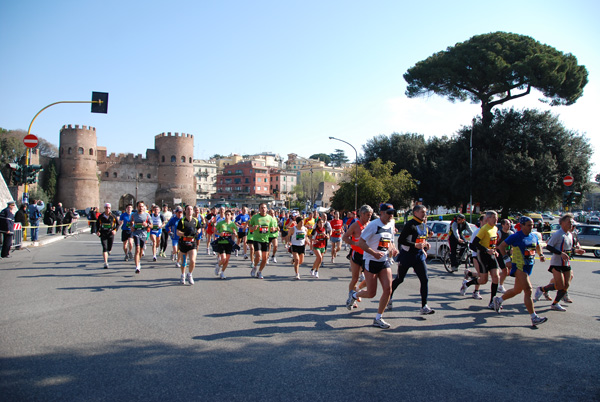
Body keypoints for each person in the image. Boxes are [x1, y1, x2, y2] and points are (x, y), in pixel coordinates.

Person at [347, 203, 398, 329]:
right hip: (371, 260)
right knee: (371, 293)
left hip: (384, 260)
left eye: (392, 213)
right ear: (381, 213)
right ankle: (354, 295)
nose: (391, 215)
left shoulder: (391, 224)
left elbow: (390, 241)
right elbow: (361, 242)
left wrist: (393, 249)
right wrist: (373, 253)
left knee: (388, 289)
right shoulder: (373, 226)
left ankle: (378, 318)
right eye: (388, 213)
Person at [493, 217, 548, 326]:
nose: (531, 227)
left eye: (532, 225)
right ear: (521, 225)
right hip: (519, 266)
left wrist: (541, 255)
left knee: (517, 290)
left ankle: (499, 300)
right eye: (528, 225)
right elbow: (501, 246)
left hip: (529, 267)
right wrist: (507, 260)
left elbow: (537, 246)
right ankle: (534, 317)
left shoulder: (533, 236)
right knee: (528, 290)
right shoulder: (516, 236)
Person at [389, 204, 435, 315]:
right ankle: (389, 296)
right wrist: (415, 245)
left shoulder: (423, 225)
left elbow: (422, 239)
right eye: (422, 212)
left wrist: (425, 244)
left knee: (425, 279)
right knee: (400, 279)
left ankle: (424, 306)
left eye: (425, 212)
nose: (425, 214)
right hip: (407, 256)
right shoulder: (410, 225)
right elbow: (401, 240)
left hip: (419, 256)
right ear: (415, 213)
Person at [534, 214, 585, 311]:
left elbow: (568, 250)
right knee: (559, 285)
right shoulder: (558, 234)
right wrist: (560, 253)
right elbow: (548, 246)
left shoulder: (570, 235)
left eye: (571, 222)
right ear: (562, 223)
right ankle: (542, 289)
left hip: (566, 263)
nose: (571, 224)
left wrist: (576, 251)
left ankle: (555, 303)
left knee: (566, 285)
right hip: (556, 263)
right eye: (569, 222)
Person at [460, 211, 500, 309]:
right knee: (483, 280)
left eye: (497, 218)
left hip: (492, 256)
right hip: (482, 256)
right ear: (488, 219)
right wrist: (486, 250)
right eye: (494, 218)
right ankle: (467, 283)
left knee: (496, 276)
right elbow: (473, 244)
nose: (496, 220)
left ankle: (492, 301)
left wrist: (494, 250)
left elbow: (492, 242)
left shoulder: (495, 228)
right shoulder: (484, 229)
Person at [343, 205, 372, 310]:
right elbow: (345, 237)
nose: (369, 217)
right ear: (362, 214)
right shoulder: (355, 225)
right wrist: (355, 243)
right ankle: (351, 298)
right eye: (368, 215)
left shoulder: (370, 225)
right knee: (355, 278)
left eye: (371, 215)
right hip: (357, 254)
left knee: (370, 279)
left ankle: (358, 289)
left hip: (368, 255)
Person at [248, 203, 278, 279]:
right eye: (261, 208)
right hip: (257, 239)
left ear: (267, 209)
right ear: (259, 209)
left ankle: (259, 272)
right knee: (258, 256)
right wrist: (253, 228)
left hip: (266, 239)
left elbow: (274, 228)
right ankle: (254, 267)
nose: (263, 209)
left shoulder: (270, 218)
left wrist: (273, 229)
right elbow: (250, 227)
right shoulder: (255, 217)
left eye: (264, 208)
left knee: (265, 258)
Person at [176, 205, 201, 285]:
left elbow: (199, 228)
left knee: (193, 261)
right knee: (184, 262)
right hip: (183, 243)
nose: (190, 210)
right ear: (185, 211)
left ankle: (189, 274)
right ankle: (183, 275)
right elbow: (177, 232)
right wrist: (184, 233)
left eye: (191, 209)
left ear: (193, 211)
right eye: (188, 209)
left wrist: (197, 232)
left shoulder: (195, 220)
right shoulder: (182, 221)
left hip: (192, 243)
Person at [214, 209, 238, 279]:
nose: (227, 216)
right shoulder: (221, 223)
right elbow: (215, 231)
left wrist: (235, 233)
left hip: (229, 243)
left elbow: (236, 235)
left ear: (231, 216)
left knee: (227, 260)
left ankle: (222, 272)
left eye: (228, 215)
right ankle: (218, 266)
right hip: (221, 242)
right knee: (223, 258)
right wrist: (219, 234)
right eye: (226, 215)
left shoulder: (232, 224)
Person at [96, 203, 119, 268]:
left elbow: (117, 224)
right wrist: (98, 231)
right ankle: (105, 263)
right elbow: (97, 224)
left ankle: (109, 250)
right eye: (106, 208)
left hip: (110, 234)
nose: (107, 209)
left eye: (109, 208)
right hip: (103, 234)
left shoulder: (113, 216)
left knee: (109, 248)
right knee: (104, 248)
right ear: (104, 208)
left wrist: (115, 230)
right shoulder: (101, 216)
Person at [130, 201, 150, 274]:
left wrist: (147, 225)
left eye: (142, 206)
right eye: (139, 206)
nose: (141, 208)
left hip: (143, 234)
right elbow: (130, 223)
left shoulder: (147, 215)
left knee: (141, 250)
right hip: (136, 233)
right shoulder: (133, 215)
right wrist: (131, 227)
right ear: (137, 207)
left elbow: (151, 225)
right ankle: (137, 266)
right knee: (137, 249)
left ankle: (139, 261)